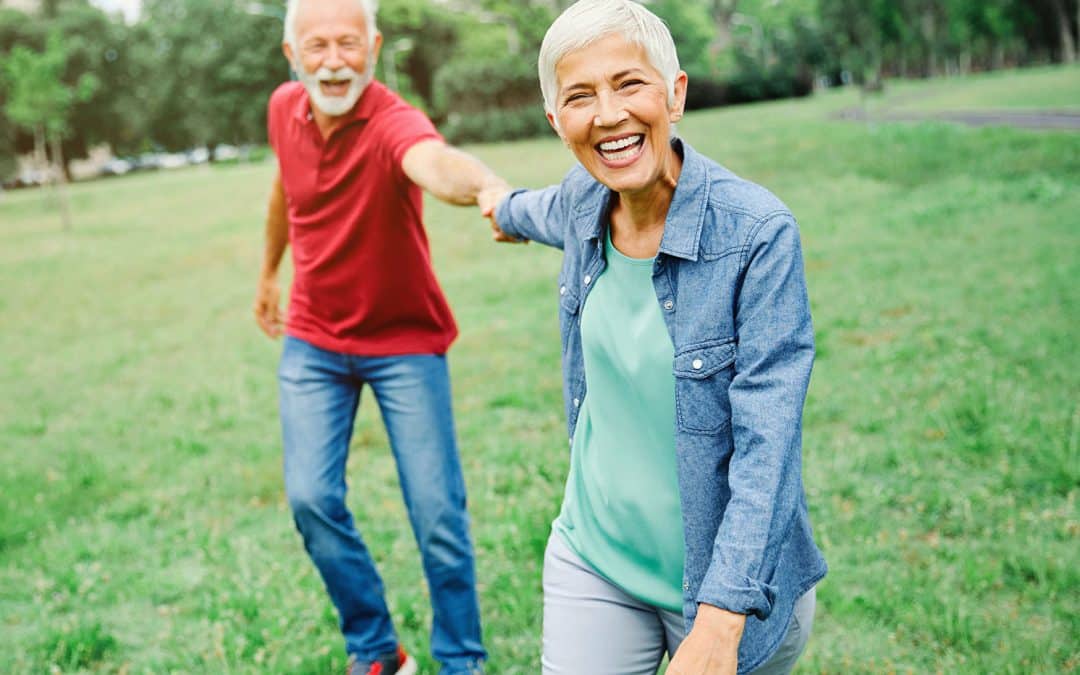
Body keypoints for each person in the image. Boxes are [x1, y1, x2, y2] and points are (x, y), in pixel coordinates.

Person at [478, 1, 827, 673]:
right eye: (580, 96)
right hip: (597, 554)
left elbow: (770, 443)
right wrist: (501, 207)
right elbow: (536, 209)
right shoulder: (584, 199)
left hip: (733, 588)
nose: (608, 114)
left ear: (676, 93)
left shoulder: (757, 235)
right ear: (557, 121)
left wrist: (721, 621)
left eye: (629, 83)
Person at [254, 1, 507, 673]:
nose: (333, 60)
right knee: (310, 497)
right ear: (292, 55)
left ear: (373, 46)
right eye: (317, 46)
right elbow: (286, 188)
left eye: (347, 44)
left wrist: (482, 183)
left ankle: (461, 661)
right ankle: (375, 648)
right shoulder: (285, 108)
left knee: (437, 516)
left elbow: (432, 162)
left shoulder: (395, 120)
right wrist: (269, 272)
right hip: (313, 338)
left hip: (403, 339)